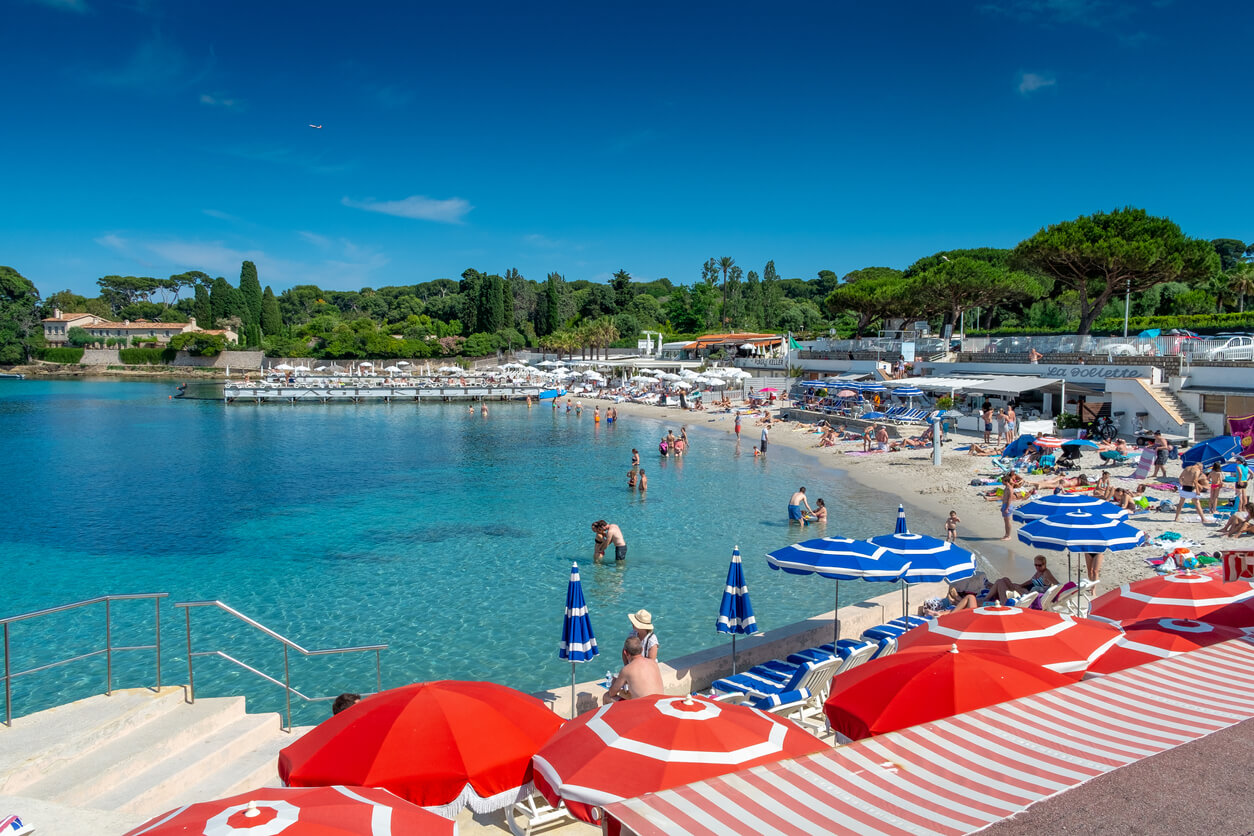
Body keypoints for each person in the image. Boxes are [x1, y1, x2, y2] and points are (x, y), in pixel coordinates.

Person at [602, 635, 663, 704]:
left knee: (607, 696)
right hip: (659, 704)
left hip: (643, 709)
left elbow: (612, 693)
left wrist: (614, 682)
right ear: (642, 649)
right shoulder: (653, 663)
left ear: (625, 652)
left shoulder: (626, 670)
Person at [985, 556, 1058, 605]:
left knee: (1000, 582)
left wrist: (1049, 590)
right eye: (1035, 565)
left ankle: (986, 598)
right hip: (1027, 592)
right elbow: (1031, 581)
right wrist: (1021, 585)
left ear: (1045, 564)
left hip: (1029, 596)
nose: (1037, 567)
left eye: (1040, 565)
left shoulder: (1046, 573)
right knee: (1005, 579)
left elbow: (1057, 584)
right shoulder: (1039, 572)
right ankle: (991, 589)